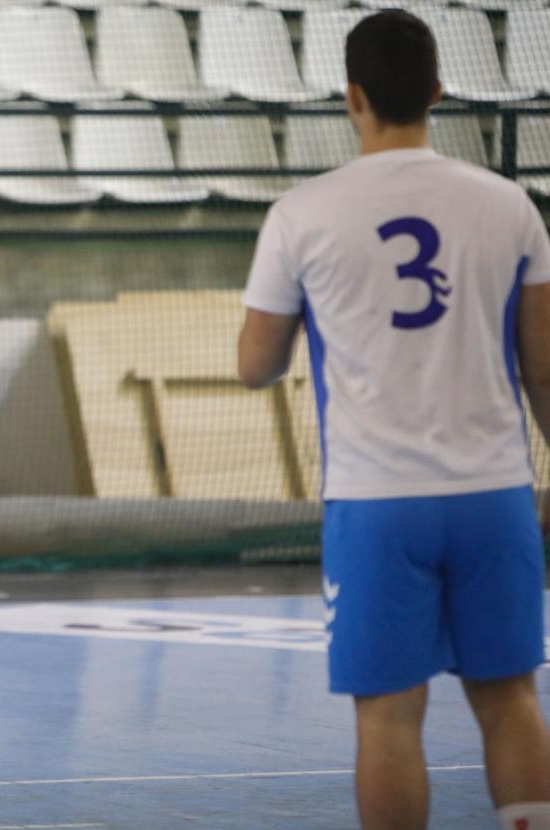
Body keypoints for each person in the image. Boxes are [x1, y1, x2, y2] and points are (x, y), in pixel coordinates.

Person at [237, 10, 550, 830]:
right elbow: (545, 367)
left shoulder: (302, 214)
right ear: (439, 92)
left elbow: (253, 366)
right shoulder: (511, 205)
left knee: (387, 716)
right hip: (495, 494)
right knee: (511, 697)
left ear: (354, 97)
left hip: (378, 502)